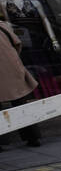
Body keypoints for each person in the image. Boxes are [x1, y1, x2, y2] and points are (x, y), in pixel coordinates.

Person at [0, 17, 40, 147]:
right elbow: (17, 44)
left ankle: (1, 143)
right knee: (21, 105)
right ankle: (32, 138)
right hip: (12, 69)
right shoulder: (3, 25)